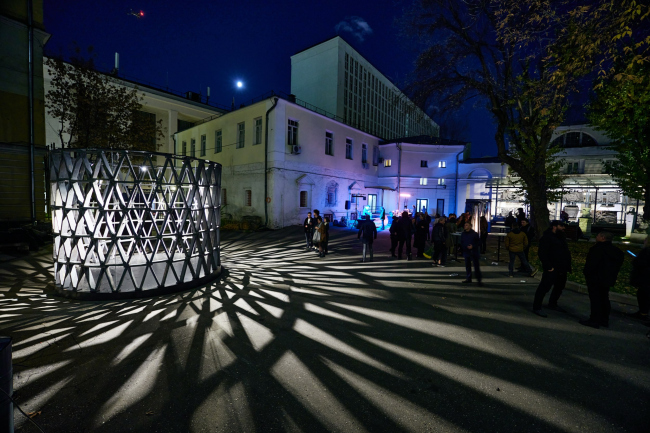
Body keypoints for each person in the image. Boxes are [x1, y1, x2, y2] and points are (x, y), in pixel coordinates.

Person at [580, 231, 624, 328]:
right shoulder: (616, 251)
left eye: (598, 235)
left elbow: (591, 264)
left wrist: (587, 273)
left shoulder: (597, 249)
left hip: (595, 278)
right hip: (608, 278)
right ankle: (604, 320)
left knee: (595, 299)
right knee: (604, 298)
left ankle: (594, 320)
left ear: (603, 237)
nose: (596, 237)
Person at [532, 220, 572, 317]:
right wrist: (548, 266)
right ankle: (537, 307)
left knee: (559, 287)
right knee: (544, 287)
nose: (563, 228)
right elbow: (542, 253)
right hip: (552, 268)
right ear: (554, 226)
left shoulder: (561, 237)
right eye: (561, 226)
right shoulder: (547, 238)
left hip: (562, 268)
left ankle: (552, 304)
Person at [628, 236, 650, 321]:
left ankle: (643, 313)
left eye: (646, 239)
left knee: (643, 295)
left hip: (645, 277)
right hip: (646, 277)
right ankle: (642, 312)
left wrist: (635, 259)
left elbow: (641, 263)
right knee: (643, 294)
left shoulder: (646, 251)